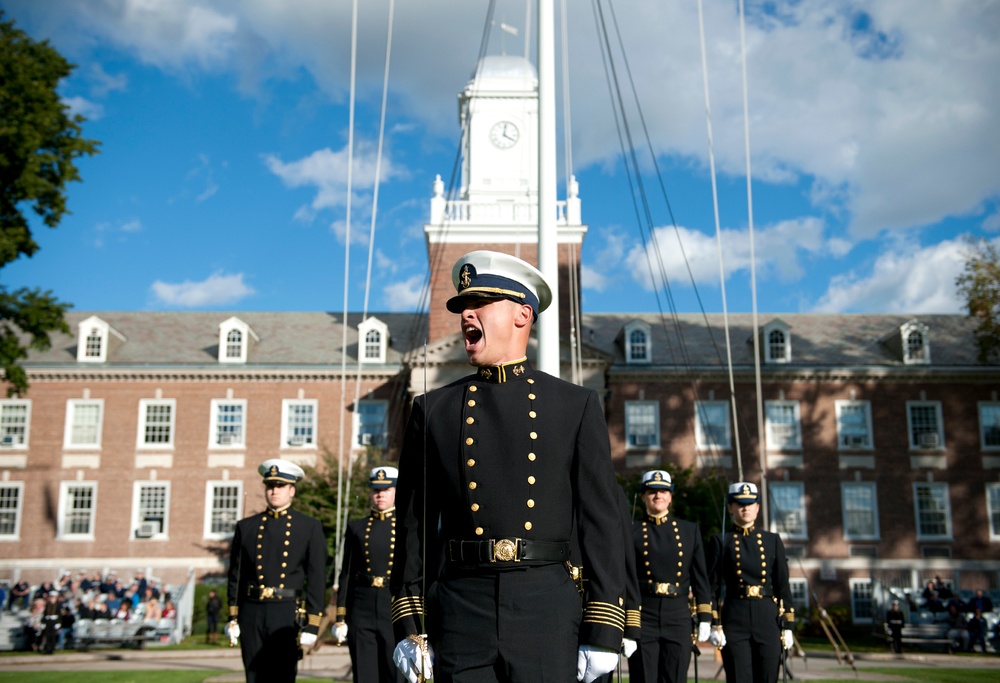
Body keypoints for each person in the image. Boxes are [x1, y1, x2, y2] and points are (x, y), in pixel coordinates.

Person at [390, 251, 626, 683]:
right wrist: (409, 625)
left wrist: (604, 625)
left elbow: (601, 521)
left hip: (546, 607)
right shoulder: (434, 410)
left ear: (522, 314)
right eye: (463, 306)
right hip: (461, 606)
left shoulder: (573, 406)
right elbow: (413, 526)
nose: (466, 315)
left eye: (480, 304)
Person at [227, 458, 327, 683]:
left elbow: (316, 578)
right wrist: (233, 617)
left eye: (280, 486)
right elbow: (236, 575)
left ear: (292, 490)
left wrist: (312, 624)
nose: (274, 491)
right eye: (270, 486)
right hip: (252, 611)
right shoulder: (247, 527)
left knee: (282, 675)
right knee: (253, 676)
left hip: (285, 612)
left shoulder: (308, 527)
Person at [629, 470, 713, 683]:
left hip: (677, 615)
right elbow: (624, 578)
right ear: (644, 496)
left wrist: (705, 616)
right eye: (652, 491)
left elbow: (700, 578)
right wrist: (627, 623)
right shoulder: (631, 531)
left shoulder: (688, 531)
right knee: (644, 677)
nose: (658, 496)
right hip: (643, 614)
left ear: (671, 496)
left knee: (675, 677)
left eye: (663, 491)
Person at [706, 482, 795, 683]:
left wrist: (789, 625)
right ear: (730, 507)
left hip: (767, 617)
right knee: (739, 677)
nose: (745, 508)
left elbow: (782, 585)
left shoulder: (772, 540)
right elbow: (712, 587)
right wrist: (714, 623)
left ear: (757, 507)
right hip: (736, 616)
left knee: (768, 675)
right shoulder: (721, 540)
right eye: (739, 504)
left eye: (750, 503)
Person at [334, 466, 404, 683]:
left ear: (396, 492)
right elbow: (346, 573)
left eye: (386, 489)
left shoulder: (406, 526)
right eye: (376, 490)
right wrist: (341, 616)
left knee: (396, 674)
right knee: (364, 674)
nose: (380, 495)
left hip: (393, 606)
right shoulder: (357, 527)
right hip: (362, 607)